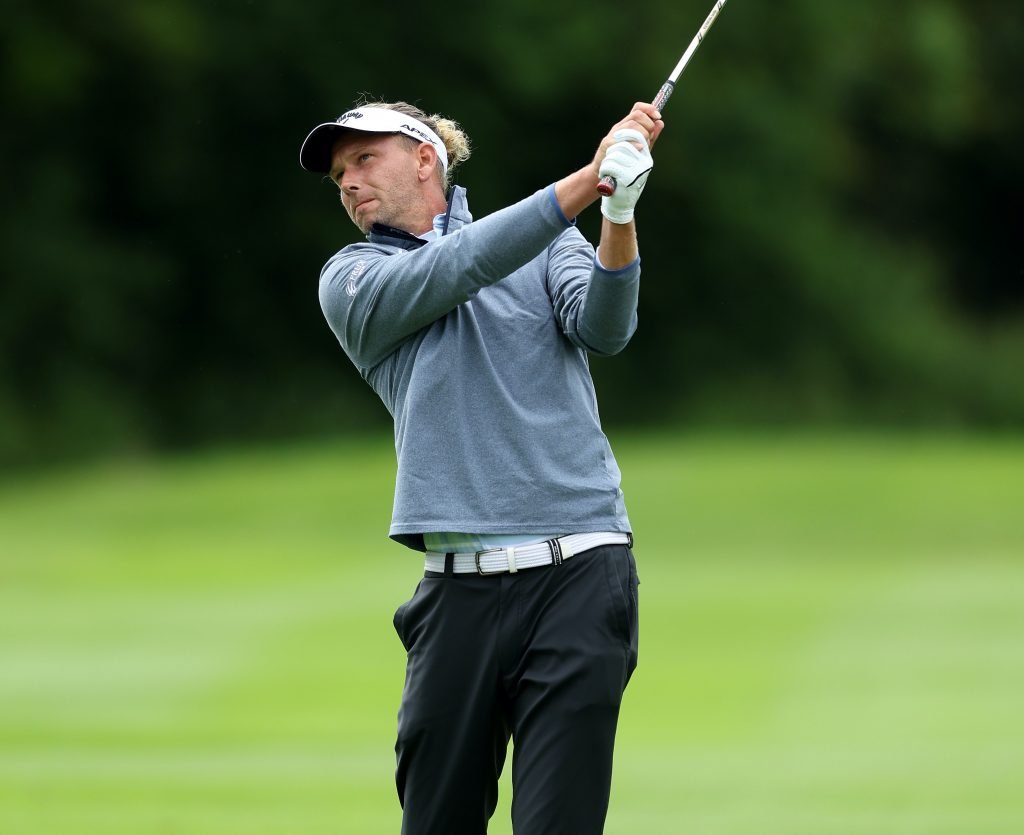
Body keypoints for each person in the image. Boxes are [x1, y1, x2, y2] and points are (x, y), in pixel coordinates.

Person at [299, 97, 662, 835]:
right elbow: (461, 264)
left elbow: (605, 326)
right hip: (456, 595)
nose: (349, 183)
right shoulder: (353, 279)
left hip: (580, 573)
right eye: (340, 173)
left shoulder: (549, 243)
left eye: (364, 160)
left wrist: (617, 212)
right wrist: (585, 182)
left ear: (424, 157)